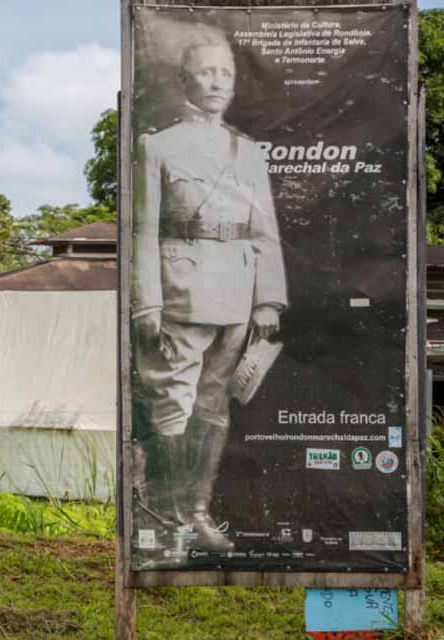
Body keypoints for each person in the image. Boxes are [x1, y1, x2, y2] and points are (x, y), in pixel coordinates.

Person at [132, 31, 288, 554]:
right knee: (173, 404)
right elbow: (144, 230)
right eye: (206, 73)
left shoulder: (246, 151)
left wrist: (268, 298)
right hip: (180, 290)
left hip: (237, 291)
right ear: (185, 80)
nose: (218, 82)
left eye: (226, 74)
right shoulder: (158, 146)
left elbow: (264, 230)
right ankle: (171, 520)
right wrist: (147, 299)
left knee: (214, 405)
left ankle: (196, 513)